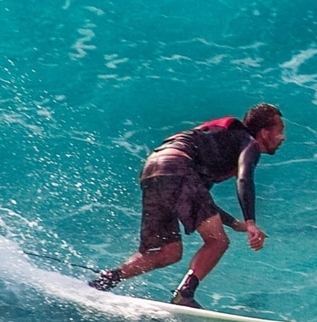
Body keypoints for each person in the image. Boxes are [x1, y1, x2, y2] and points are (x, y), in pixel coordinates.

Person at [88, 103, 285, 307]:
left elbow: (197, 198)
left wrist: (235, 223)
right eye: (280, 131)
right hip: (177, 167)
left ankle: (105, 280)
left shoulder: (220, 145)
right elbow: (244, 178)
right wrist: (250, 222)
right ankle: (185, 294)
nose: (283, 138)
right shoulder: (249, 143)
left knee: (168, 252)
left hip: (154, 167)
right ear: (264, 132)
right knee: (217, 241)